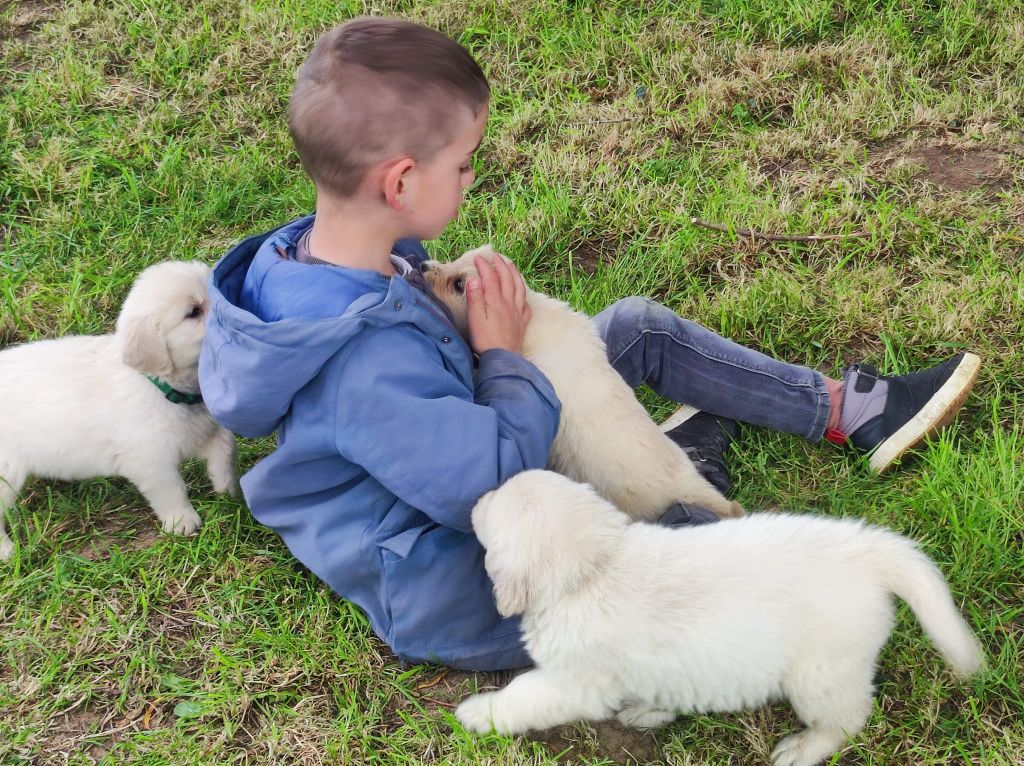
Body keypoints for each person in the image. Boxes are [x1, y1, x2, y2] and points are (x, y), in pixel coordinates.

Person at [198, 17, 980, 670]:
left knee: (631, 327)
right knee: (675, 564)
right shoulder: (358, 363)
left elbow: (435, 384)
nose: (471, 179)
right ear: (400, 183)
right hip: (459, 572)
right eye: (464, 165)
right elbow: (490, 487)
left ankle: (848, 410)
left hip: (468, 445)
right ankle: (761, 566)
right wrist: (500, 353)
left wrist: (476, 334)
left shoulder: (322, 253)